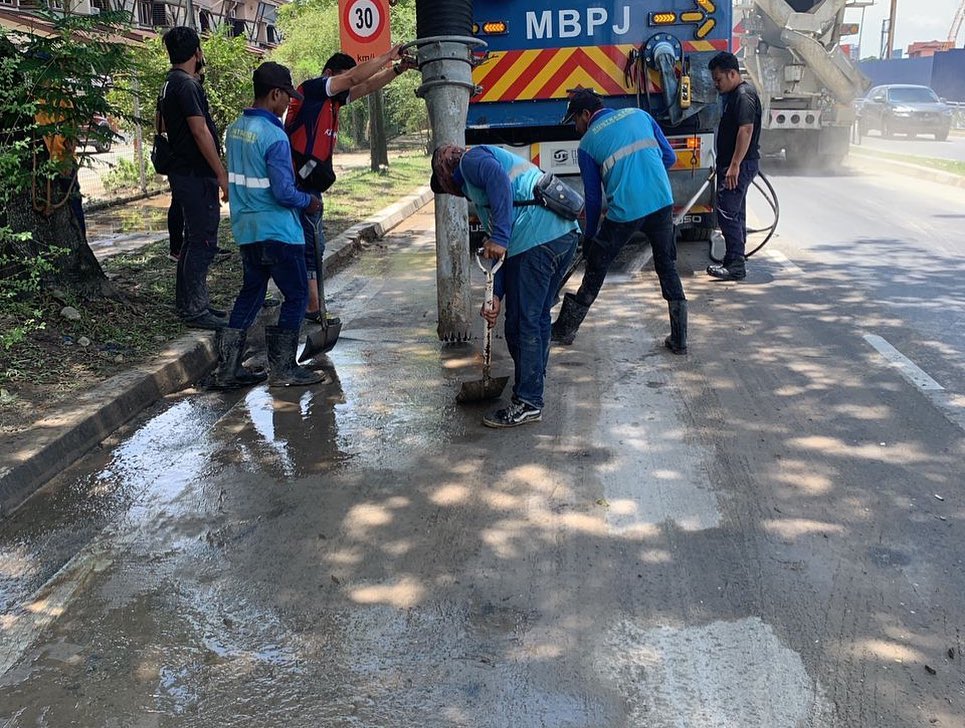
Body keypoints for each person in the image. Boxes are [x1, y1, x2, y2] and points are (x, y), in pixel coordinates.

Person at [430, 144, 579, 428]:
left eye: (447, 189)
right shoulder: (482, 185)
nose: (454, 194)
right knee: (536, 319)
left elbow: (497, 180)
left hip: (539, 238)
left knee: (522, 324)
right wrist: (496, 294)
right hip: (561, 235)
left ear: (444, 174)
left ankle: (528, 402)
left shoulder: (470, 161)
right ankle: (532, 382)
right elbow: (503, 254)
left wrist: (499, 237)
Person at [210, 62, 325, 389]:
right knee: (297, 295)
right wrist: (309, 201)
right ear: (275, 94)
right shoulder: (274, 135)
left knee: (252, 293)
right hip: (279, 231)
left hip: (247, 229)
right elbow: (283, 192)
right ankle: (284, 368)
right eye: (286, 96)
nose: (288, 103)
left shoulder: (235, 129)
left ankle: (228, 369)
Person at [551, 89, 688, 355]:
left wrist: (589, 237)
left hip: (626, 211)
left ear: (586, 114)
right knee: (666, 266)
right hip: (662, 201)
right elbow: (669, 157)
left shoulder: (587, 143)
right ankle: (680, 339)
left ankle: (566, 329)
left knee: (597, 265)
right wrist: (645, 176)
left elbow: (593, 198)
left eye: (575, 121)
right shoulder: (640, 115)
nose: (576, 128)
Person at [285, 47, 415, 323]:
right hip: (299, 182)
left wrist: (397, 70)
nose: (347, 87)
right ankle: (312, 307)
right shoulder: (314, 89)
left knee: (313, 244)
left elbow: (365, 86)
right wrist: (388, 56)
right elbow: (355, 79)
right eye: (343, 79)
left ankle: (311, 304)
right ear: (329, 74)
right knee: (310, 245)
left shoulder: (333, 99)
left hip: (311, 182)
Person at [160, 26, 229, 329]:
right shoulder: (187, 85)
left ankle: (189, 303)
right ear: (197, 52)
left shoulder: (169, 83)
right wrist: (220, 173)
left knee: (192, 239)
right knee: (203, 239)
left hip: (182, 170)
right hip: (195, 173)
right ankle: (196, 309)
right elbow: (200, 131)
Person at [706, 51, 762, 281]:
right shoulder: (734, 95)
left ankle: (736, 265)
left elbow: (746, 130)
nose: (716, 84)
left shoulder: (743, 96)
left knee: (727, 213)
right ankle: (734, 259)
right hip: (735, 164)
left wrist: (735, 165)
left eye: (718, 79)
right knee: (735, 212)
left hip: (738, 165)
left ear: (732, 74)